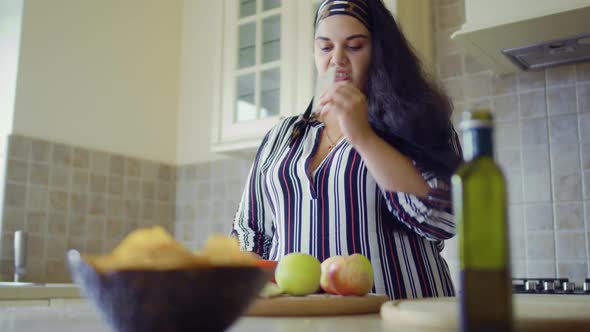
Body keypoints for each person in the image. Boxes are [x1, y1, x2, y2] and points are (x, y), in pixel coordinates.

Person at [231, 0, 462, 299]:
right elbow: (250, 232)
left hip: (402, 316)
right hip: (302, 322)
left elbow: (443, 216)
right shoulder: (281, 136)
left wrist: (363, 137)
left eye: (354, 46)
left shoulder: (417, 118)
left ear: (380, 52)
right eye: (326, 47)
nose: (337, 60)